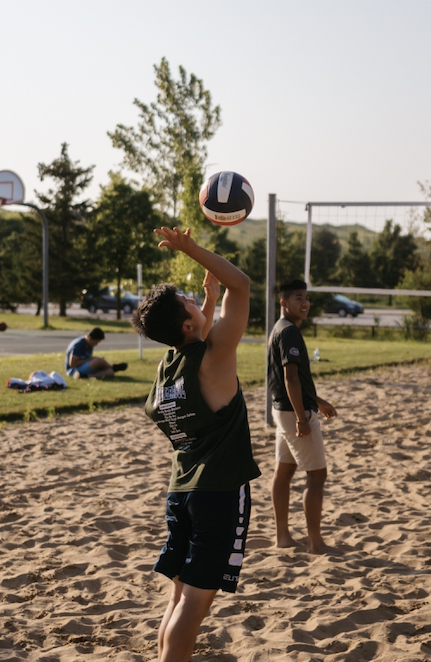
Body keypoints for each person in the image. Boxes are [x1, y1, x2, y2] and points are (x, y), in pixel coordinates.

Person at [130, 226, 260, 662]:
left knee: (179, 597)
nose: (194, 299)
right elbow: (242, 286)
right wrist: (194, 251)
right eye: (189, 301)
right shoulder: (214, 358)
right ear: (187, 323)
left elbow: (194, 337)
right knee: (195, 603)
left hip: (181, 492)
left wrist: (205, 298)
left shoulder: (168, 370)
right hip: (220, 492)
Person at [267, 279, 339, 555]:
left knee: (284, 472)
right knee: (317, 475)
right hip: (292, 413)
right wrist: (301, 418)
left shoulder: (279, 328)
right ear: (284, 302)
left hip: (281, 410)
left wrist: (316, 401)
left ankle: (283, 537)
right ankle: (316, 543)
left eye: (307, 297)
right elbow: (289, 377)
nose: (305, 302)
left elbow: (291, 378)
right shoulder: (289, 333)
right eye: (298, 298)